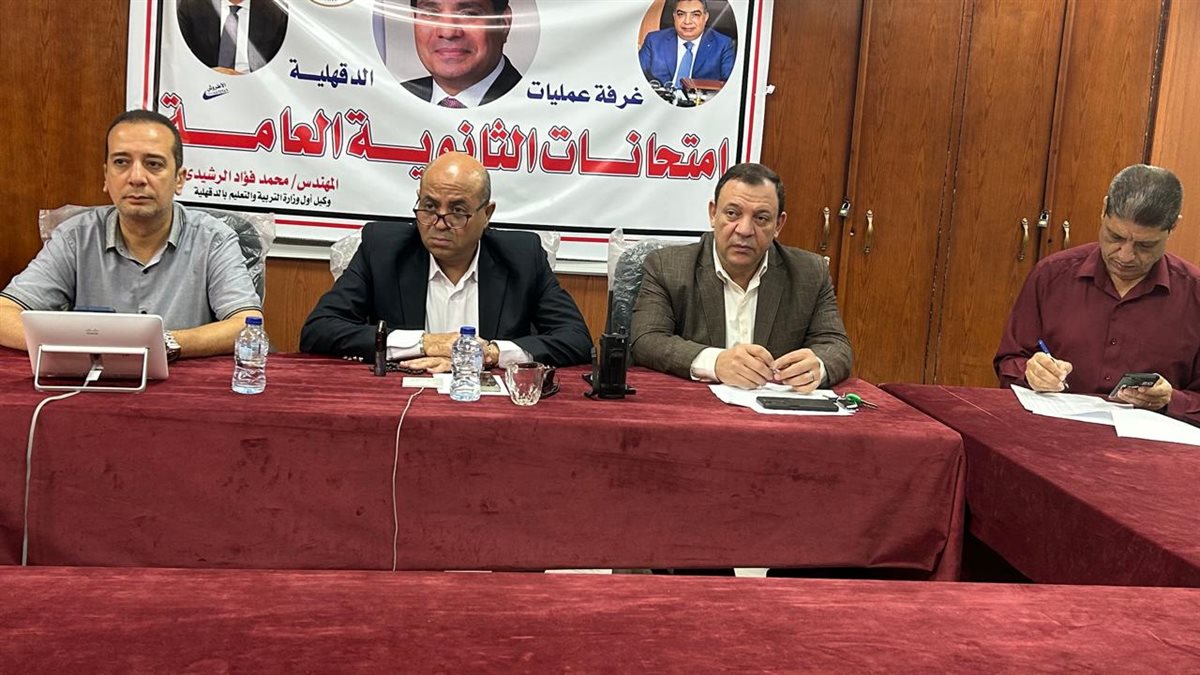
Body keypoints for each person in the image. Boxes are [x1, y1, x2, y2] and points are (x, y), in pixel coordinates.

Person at [0, 110, 264, 359]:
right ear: (106, 176)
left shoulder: (214, 239)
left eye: (153, 164)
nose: (136, 177)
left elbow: (246, 324)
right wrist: (82, 344)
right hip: (91, 381)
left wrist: (162, 343)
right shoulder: (75, 238)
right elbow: (4, 314)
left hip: (184, 383)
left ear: (179, 179)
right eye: (121, 162)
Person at [300, 152, 591, 370]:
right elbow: (319, 330)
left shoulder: (522, 256)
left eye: (457, 211)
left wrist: (488, 353)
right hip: (401, 400)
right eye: (429, 207)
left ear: (487, 215)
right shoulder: (383, 250)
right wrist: (426, 343)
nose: (439, 223)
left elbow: (576, 339)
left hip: (489, 406)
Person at [995, 164, 1200, 420]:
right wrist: (1031, 372)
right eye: (1115, 237)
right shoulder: (1051, 276)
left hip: (1151, 441)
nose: (1125, 256)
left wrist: (1171, 400)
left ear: (1173, 227)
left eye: (1145, 246)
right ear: (1103, 210)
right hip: (1053, 431)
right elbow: (1009, 361)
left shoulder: (1194, 295)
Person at [630, 163, 853, 391]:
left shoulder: (809, 272)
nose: (744, 230)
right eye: (732, 214)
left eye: (761, 218)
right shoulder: (667, 267)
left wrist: (817, 366)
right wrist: (715, 362)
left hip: (775, 408)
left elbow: (836, 346)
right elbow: (646, 339)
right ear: (713, 214)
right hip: (697, 405)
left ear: (778, 225)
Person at [401, 0, 522, 108]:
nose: (448, 32)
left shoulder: (529, 108)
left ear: (503, 23)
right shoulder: (396, 102)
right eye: (430, 13)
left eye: (468, 13)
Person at [639, 0, 736, 90]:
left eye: (695, 15)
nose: (687, 21)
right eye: (681, 14)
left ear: (705, 17)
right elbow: (635, 74)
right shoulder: (654, 40)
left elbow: (731, 85)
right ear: (674, 16)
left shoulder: (723, 44)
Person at [177, 0, 289, 75]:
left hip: (256, 88)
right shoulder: (191, 7)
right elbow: (178, 55)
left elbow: (283, 65)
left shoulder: (278, 12)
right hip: (206, 84)